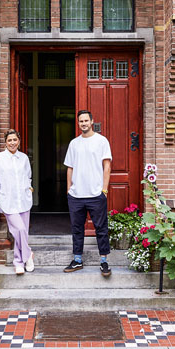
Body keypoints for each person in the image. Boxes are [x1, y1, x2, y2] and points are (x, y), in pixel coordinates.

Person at [63, 109, 112, 277]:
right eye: (80, 121)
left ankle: (104, 261)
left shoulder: (101, 141)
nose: (83, 123)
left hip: (96, 194)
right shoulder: (73, 143)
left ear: (92, 122)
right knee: (77, 229)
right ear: (78, 124)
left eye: (86, 120)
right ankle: (77, 259)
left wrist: (104, 190)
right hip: (76, 195)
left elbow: (107, 166)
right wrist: (69, 189)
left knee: (101, 228)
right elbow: (70, 167)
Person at [0, 129, 34, 275]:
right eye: (9, 140)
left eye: (15, 140)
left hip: (24, 200)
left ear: (18, 141)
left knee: (23, 232)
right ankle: (28, 254)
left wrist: (29, 189)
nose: (12, 143)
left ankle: (19, 262)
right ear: (5, 142)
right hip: (8, 200)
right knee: (18, 230)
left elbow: (28, 176)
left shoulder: (24, 158)